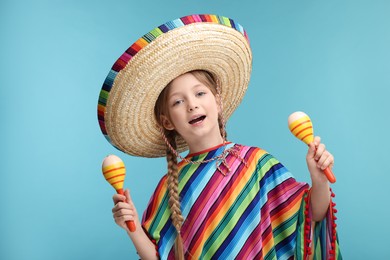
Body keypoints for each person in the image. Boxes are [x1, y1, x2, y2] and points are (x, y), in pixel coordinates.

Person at [98, 14, 341, 259]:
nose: (192, 105)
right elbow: (157, 256)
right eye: (178, 101)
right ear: (167, 121)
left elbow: (311, 217)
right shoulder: (168, 188)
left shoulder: (257, 163)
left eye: (200, 93)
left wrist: (319, 180)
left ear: (218, 100)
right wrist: (132, 228)